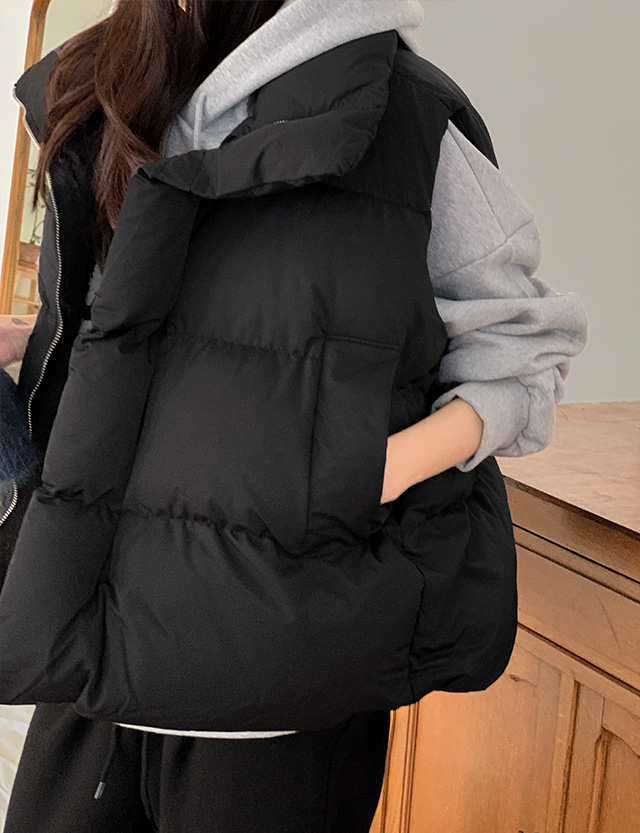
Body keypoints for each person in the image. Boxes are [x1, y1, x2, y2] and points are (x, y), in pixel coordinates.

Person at [0, 1, 588, 831]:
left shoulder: (405, 117)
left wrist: (367, 471)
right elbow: (165, 326)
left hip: (276, 680)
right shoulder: (117, 81)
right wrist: (38, 337)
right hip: (91, 642)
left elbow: (523, 347)